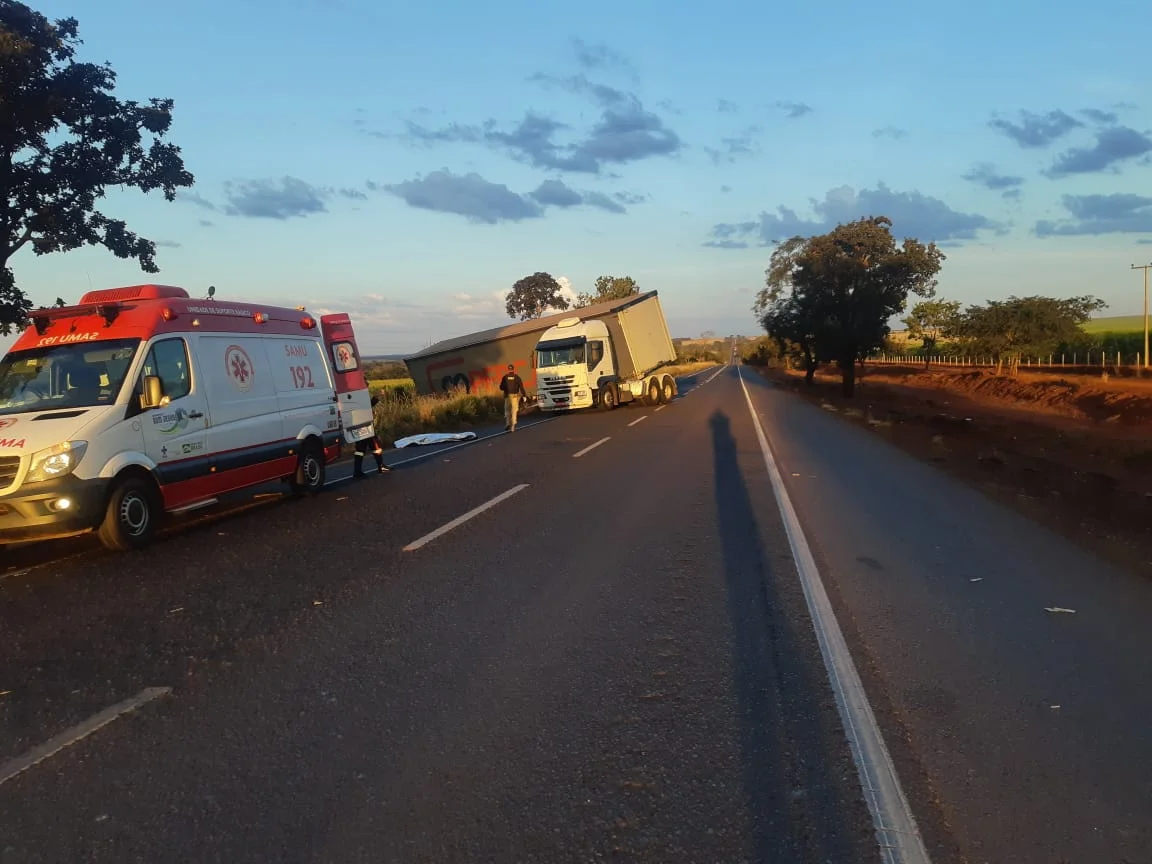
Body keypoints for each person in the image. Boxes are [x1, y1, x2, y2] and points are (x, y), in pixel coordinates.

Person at [354, 395, 389, 477]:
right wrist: (376, 399)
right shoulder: (359, 394)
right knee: (374, 446)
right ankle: (380, 466)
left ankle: (358, 471)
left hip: (360, 425)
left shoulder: (354, 395)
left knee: (362, 449)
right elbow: (365, 406)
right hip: (364, 425)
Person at [499, 363, 526, 432]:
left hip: (507, 396)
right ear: (513, 369)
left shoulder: (505, 377)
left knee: (507, 410)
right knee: (514, 411)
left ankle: (508, 423)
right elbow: (521, 387)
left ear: (508, 370)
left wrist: (506, 388)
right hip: (514, 396)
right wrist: (524, 395)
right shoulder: (517, 377)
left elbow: (501, 387)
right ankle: (513, 426)